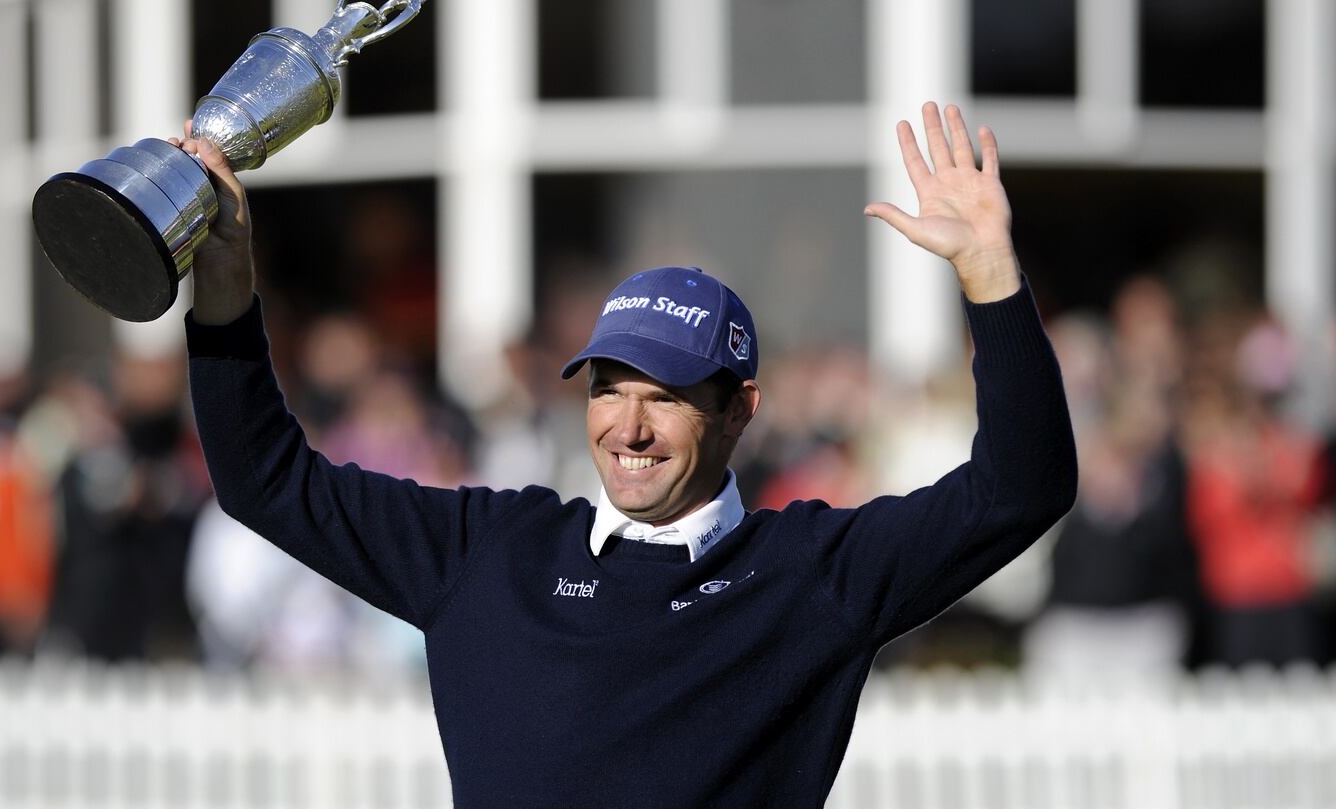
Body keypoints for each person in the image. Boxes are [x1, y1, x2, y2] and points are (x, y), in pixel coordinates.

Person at [173, 102, 1076, 807]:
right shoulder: (489, 551)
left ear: (739, 412)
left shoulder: (809, 574)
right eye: (609, 389)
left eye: (667, 396)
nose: (628, 427)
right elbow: (264, 480)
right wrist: (222, 289)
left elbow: (1022, 488)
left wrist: (990, 274)